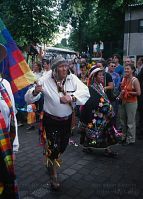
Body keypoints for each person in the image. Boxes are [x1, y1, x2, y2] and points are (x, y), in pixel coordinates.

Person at [25, 56, 90, 190]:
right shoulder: (45, 79)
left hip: (66, 121)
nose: (64, 69)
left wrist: (71, 97)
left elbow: (85, 91)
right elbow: (28, 97)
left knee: (63, 146)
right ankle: (53, 174)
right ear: (54, 69)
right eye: (61, 66)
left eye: (66, 66)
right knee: (54, 147)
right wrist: (35, 91)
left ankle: (50, 156)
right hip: (51, 121)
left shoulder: (72, 78)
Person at [80, 66, 119, 157]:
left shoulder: (100, 86)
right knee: (93, 131)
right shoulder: (91, 88)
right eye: (100, 75)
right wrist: (106, 108)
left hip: (102, 115)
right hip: (95, 115)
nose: (102, 77)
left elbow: (103, 99)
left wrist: (107, 108)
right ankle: (88, 147)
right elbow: (93, 102)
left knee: (105, 132)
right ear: (94, 77)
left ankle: (107, 149)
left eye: (103, 75)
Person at [0, 44, 19, 198]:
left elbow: (13, 115)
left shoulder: (4, 84)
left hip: (5, 144)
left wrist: (15, 143)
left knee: (6, 184)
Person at [120, 63, 141, 145]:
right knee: (122, 121)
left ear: (132, 70)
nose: (126, 70)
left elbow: (139, 93)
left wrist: (128, 92)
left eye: (128, 69)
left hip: (131, 102)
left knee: (130, 122)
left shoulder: (134, 80)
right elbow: (122, 88)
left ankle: (130, 139)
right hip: (124, 101)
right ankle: (123, 137)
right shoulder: (124, 78)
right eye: (125, 69)